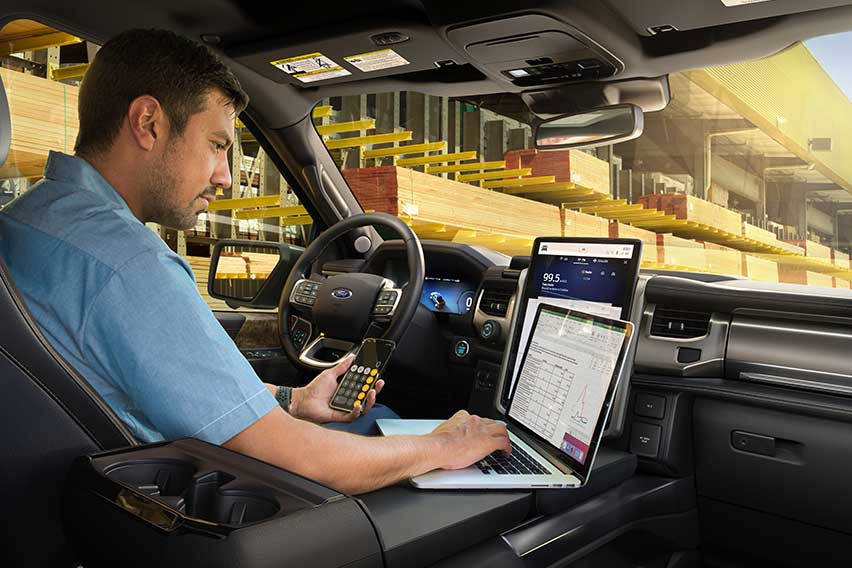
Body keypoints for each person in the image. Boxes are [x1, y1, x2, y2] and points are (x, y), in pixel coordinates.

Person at [0, 29, 510, 494]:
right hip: (164, 509)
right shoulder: (130, 267)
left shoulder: (29, 219)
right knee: (399, 429)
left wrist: (293, 402)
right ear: (148, 122)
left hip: (87, 497)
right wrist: (446, 446)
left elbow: (160, 384)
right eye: (217, 144)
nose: (225, 176)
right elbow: (301, 460)